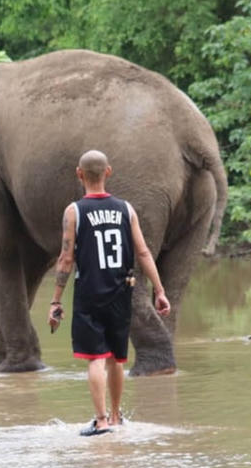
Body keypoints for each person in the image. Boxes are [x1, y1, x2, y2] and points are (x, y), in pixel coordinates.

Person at [48, 150, 171, 436]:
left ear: (79, 174)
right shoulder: (126, 209)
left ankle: (101, 421)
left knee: (96, 358)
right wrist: (159, 290)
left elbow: (66, 259)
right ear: (108, 172)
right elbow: (143, 252)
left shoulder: (74, 211)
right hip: (121, 291)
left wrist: (56, 299)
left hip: (89, 292)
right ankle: (116, 417)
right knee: (117, 357)